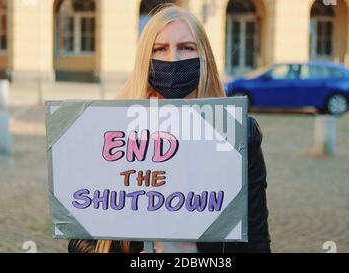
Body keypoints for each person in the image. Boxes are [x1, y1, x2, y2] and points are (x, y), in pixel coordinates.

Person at [68, 4, 271, 253]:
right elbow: (79, 238)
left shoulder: (239, 134)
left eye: (186, 48)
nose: (173, 59)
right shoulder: (113, 130)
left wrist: (193, 253)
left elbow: (257, 239)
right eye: (160, 49)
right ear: (146, 58)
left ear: (204, 56)